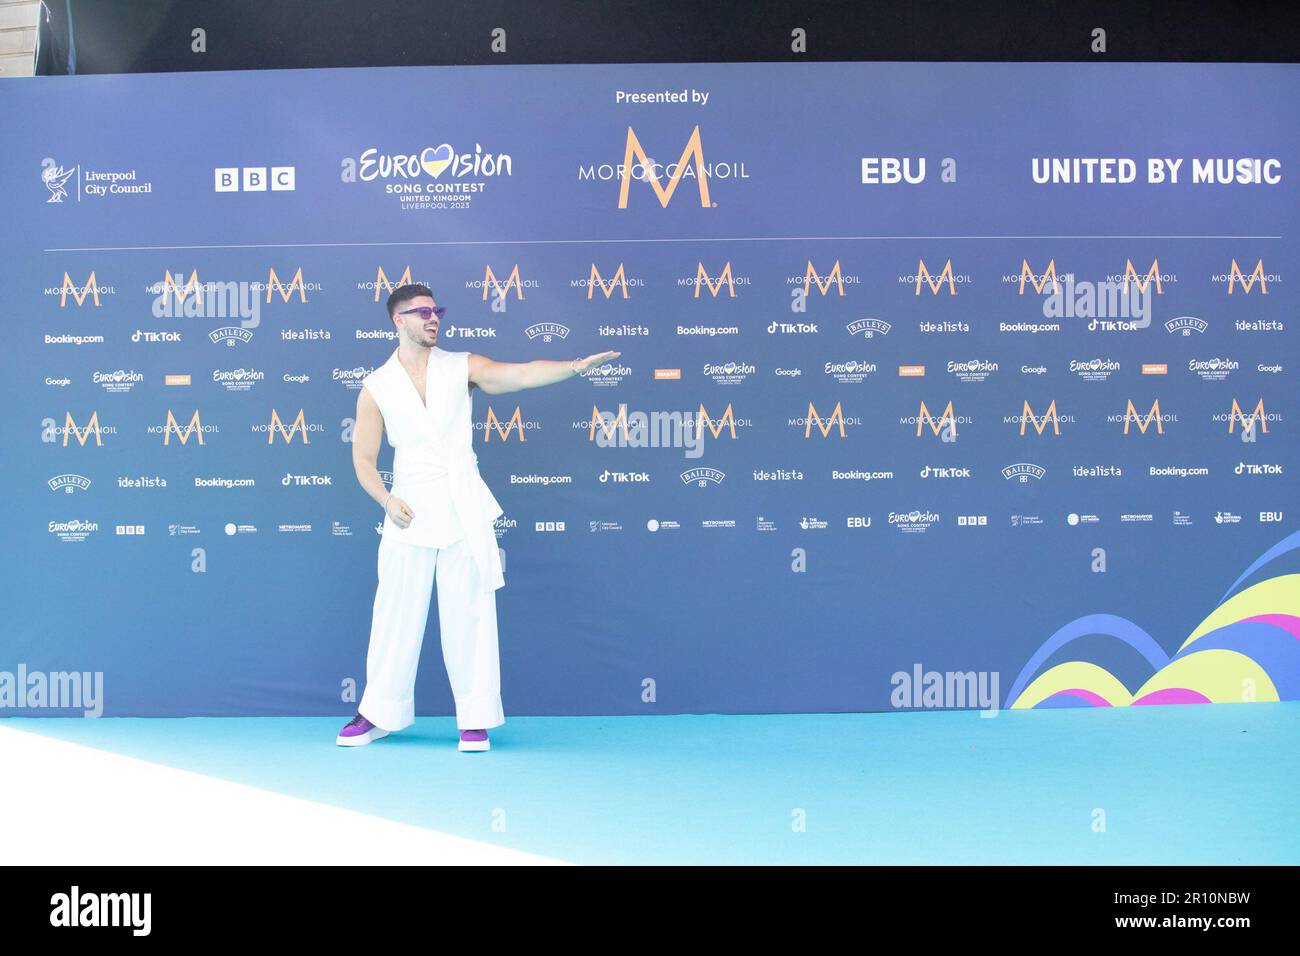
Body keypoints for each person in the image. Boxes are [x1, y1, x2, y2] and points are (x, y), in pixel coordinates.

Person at [337, 283, 619, 752]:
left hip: (463, 506)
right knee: (394, 615)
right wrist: (387, 501)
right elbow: (363, 460)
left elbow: (523, 374)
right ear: (398, 321)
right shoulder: (377, 386)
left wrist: (573, 368)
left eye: (437, 311)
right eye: (422, 312)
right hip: (407, 510)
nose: (433, 318)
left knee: (469, 612)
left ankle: (475, 718)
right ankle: (378, 713)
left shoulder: (462, 366)